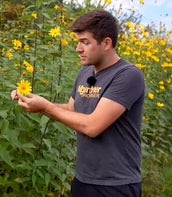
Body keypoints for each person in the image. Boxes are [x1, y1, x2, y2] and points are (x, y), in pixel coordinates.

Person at [11, 9, 144, 197]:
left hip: (116, 184)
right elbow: (71, 109)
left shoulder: (128, 75)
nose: (78, 49)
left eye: (85, 42)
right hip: (83, 179)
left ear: (106, 43)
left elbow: (92, 126)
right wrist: (34, 101)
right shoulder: (85, 72)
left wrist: (46, 107)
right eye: (78, 42)